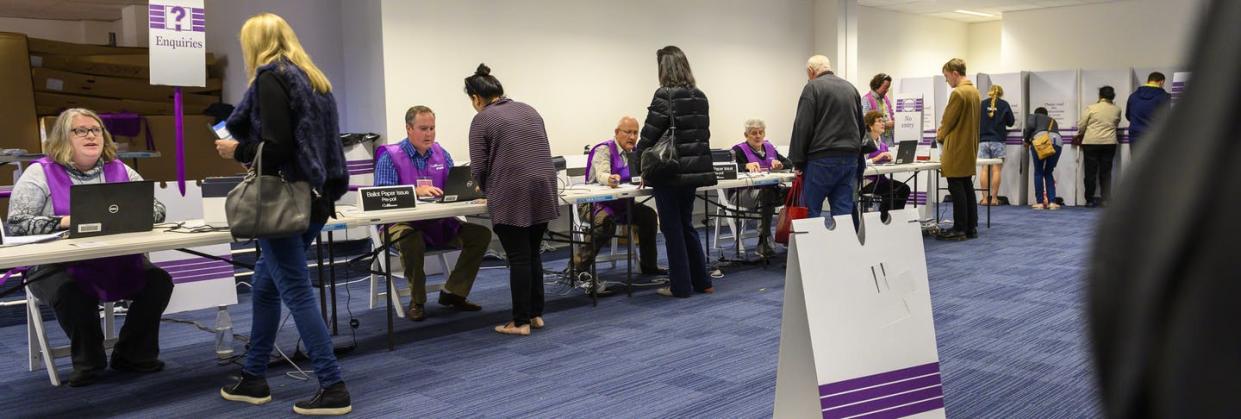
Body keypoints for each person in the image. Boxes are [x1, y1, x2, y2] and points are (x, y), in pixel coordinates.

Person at [212, 13, 351, 415]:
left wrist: (235, 151)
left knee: (295, 290)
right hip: (316, 199)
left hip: (281, 202)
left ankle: (333, 386)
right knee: (266, 286)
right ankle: (254, 377)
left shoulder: (271, 79)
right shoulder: (315, 80)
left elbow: (276, 147)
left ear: (253, 45)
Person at [6, 108, 172, 387]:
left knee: (159, 282)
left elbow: (157, 209)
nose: (90, 135)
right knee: (71, 293)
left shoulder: (120, 169)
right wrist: (66, 221)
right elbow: (17, 224)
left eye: (95, 130)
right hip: (56, 265)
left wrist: (130, 214)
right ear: (63, 137)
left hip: (116, 261)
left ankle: (132, 354)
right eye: (80, 130)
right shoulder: (40, 173)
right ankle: (90, 362)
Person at [464, 64, 561, 336]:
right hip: (543, 187)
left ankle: (520, 323)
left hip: (513, 191)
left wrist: (483, 188)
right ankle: (535, 313)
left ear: (475, 98)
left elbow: (479, 167)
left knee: (518, 257)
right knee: (532, 253)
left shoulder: (482, 119)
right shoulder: (529, 109)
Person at [373, 106, 490, 321]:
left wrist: (471, 193)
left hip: (438, 223)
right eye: (423, 128)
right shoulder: (390, 157)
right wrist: (414, 192)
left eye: (432, 128)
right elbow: (381, 197)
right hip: (401, 224)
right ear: (409, 129)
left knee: (481, 234)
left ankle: (454, 293)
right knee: (411, 239)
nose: (429, 134)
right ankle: (417, 300)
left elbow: (453, 188)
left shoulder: (441, 154)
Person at [634, 46, 716, 299]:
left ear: (664, 68)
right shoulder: (700, 96)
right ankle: (702, 281)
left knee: (672, 229)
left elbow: (649, 135)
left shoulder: (664, 95)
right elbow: (702, 135)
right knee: (686, 225)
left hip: (669, 172)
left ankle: (680, 286)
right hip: (693, 172)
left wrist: (639, 166)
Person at [574, 116, 666, 277]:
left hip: (623, 203)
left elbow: (642, 173)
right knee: (605, 222)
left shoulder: (636, 152)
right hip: (593, 204)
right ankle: (579, 268)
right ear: (617, 132)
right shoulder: (604, 149)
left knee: (649, 216)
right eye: (628, 132)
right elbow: (602, 174)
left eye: (635, 133)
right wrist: (609, 179)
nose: (632, 137)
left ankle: (649, 266)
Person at [789, 55, 864, 221]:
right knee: (843, 211)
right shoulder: (851, 88)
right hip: (850, 159)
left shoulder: (812, 88)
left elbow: (802, 126)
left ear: (810, 71)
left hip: (821, 159)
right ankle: (844, 246)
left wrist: (798, 161)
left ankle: (811, 247)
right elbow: (861, 126)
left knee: (810, 211)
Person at [730, 118, 792, 257]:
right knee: (767, 193)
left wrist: (781, 165)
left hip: (769, 191)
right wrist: (744, 166)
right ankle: (763, 240)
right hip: (741, 195)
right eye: (753, 133)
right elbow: (729, 169)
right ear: (746, 135)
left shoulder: (770, 148)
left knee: (793, 193)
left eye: (760, 132)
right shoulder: (738, 150)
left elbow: (789, 163)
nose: (758, 136)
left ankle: (789, 236)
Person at [935, 58, 981, 241]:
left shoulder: (958, 93)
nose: (947, 81)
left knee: (956, 187)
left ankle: (960, 228)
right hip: (969, 146)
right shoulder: (974, 92)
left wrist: (939, 135)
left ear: (955, 73)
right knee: (967, 186)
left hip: (955, 147)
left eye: (947, 77)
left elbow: (948, 122)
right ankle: (971, 227)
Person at [860, 111, 912, 215]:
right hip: (867, 182)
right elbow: (861, 163)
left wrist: (889, 160)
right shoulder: (864, 142)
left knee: (904, 189)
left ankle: (893, 218)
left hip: (881, 180)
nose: (883, 123)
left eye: (883, 121)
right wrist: (876, 158)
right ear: (870, 125)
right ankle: (884, 219)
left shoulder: (883, 144)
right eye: (879, 121)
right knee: (891, 192)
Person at [1079, 86, 1122, 208]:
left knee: (1090, 173)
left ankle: (1089, 200)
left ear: (1100, 96)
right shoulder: (1117, 109)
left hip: (1091, 142)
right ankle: (1105, 200)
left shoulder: (1091, 108)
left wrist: (1080, 133)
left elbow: (1082, 124)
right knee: (1106, 173)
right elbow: (1116, 123)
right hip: (1109, 143)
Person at [978, 84, 1015, 206]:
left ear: (989, 92)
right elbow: (1011, 122)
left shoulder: (982, 104)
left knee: (984, 170)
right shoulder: (1004, 104)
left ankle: (984, 199)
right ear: (1001, 93)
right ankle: (993, 199)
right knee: (996, 170)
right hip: (998, 141)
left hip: (983, 140)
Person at [1024, 107, 1063, 210]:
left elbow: (1030, 127)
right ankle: (1052, 202)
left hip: (1041, 140)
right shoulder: (1053, 120)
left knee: (1038, 172)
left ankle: (1040, 202)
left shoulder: (1034, 116)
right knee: (1049, 172)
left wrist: (1027, 140)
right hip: (1057, 142)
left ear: (1036, 113)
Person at [1125, 71, 1172, 152]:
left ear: (1148, 81)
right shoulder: (1165, 97)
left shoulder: (1133, 96)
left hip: (1135, 137)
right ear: (1162, 82)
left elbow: (1128, 116)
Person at [861, 73, 896, 148]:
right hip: (875, 141)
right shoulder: (866, 99)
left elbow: (891, 115)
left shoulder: (886, 99)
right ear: (877, 85)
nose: (887, 90)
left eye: (888, 87)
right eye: (885, 87)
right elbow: (866, 121)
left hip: (889, 139)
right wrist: (885, 124)